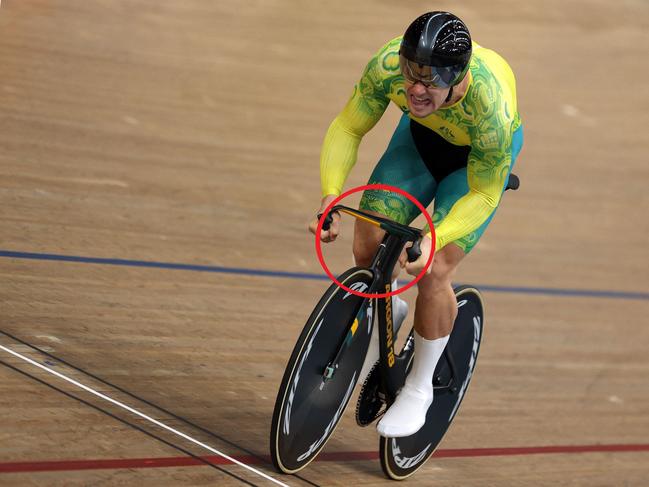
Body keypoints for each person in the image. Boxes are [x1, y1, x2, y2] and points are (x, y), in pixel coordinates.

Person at [308, 11, 523, 438]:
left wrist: (434, 236)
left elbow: (483, 193)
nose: (417, 87)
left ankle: (420, 388)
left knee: (434, 267)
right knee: (368, 243)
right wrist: (331, 194)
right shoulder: (389, 64)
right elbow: (349, 127)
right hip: (420, 141)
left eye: (432, 79)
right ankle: (389, 310)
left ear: (459, 75)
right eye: (412, 73)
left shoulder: (491, 104)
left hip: (473, 168)